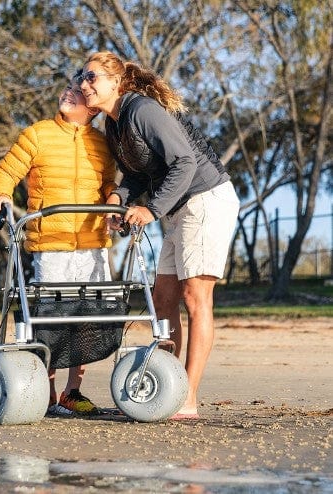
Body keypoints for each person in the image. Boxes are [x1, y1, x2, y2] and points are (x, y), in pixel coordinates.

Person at [77, 52, 239, 420]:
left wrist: (151, 210)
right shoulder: (114, 125)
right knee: (162, 298)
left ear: (116, 83)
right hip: (177, 207)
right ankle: (167, 390)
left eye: (91, 77)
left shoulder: (142, 110)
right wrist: (119, 198)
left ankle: (188, 399)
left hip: (206, 200)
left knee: (195, 297)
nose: (83, 84)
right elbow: (138, 173)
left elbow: (184, 162)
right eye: (80, 77)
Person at [0, 71, 117, 416]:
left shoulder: (102, 143)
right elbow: (8, 169)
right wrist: (0, 191)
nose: (69, 94)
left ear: (92, 108)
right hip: (51, 243)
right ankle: (46, 390)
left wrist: (114, 207)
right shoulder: (38, 134)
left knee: (89, 316)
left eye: (78, 92)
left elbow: (109, 186)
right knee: (51, 317)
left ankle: (72, 393)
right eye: (68, 89)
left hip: (92, 244)